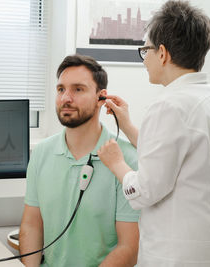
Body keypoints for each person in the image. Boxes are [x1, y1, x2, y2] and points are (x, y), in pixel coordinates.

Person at [97, 1, 210, 266]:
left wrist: (117, 163)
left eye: (145, 50)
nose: (144, 59)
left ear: (163, 54)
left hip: (175, 256)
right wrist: (130, 126)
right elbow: (177, 156)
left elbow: (145, 190)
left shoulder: (168, 105)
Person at [19, 54, 140, 267]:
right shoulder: (41, 154)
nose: (66, 98)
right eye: (61, 89)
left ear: (101, 98)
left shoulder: (126, 158)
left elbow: (128, 248)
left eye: (78, 89)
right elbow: (32, 226)